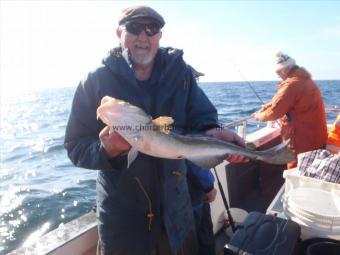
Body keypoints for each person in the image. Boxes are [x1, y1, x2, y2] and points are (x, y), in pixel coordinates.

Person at [64, 5, 245, 255]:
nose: (143, 37)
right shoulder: (95, 81)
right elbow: (75, 146)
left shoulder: (180, 73)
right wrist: (106, 150)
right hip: (125, 224)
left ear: (159, 36)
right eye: (135, 28)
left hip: (179, 215)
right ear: (119, 33)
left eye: (151, 29)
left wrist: (213, 132)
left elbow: (203, 116)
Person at [253, 51, 328, 169]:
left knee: (296, 174)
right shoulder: (306, 81)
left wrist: (258, 116)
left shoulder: (291, 85)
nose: (277, 75)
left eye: (277, 72)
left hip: (301, 145)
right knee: (312, 172)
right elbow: (286, 102)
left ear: (284, 70)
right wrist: (268, 106)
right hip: (317, 140)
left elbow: (273, 113)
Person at [186, 161, 217, 255]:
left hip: (176, 202)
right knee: (205, 241)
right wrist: (209, 187)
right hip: (194, 201)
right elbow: (194, 161)